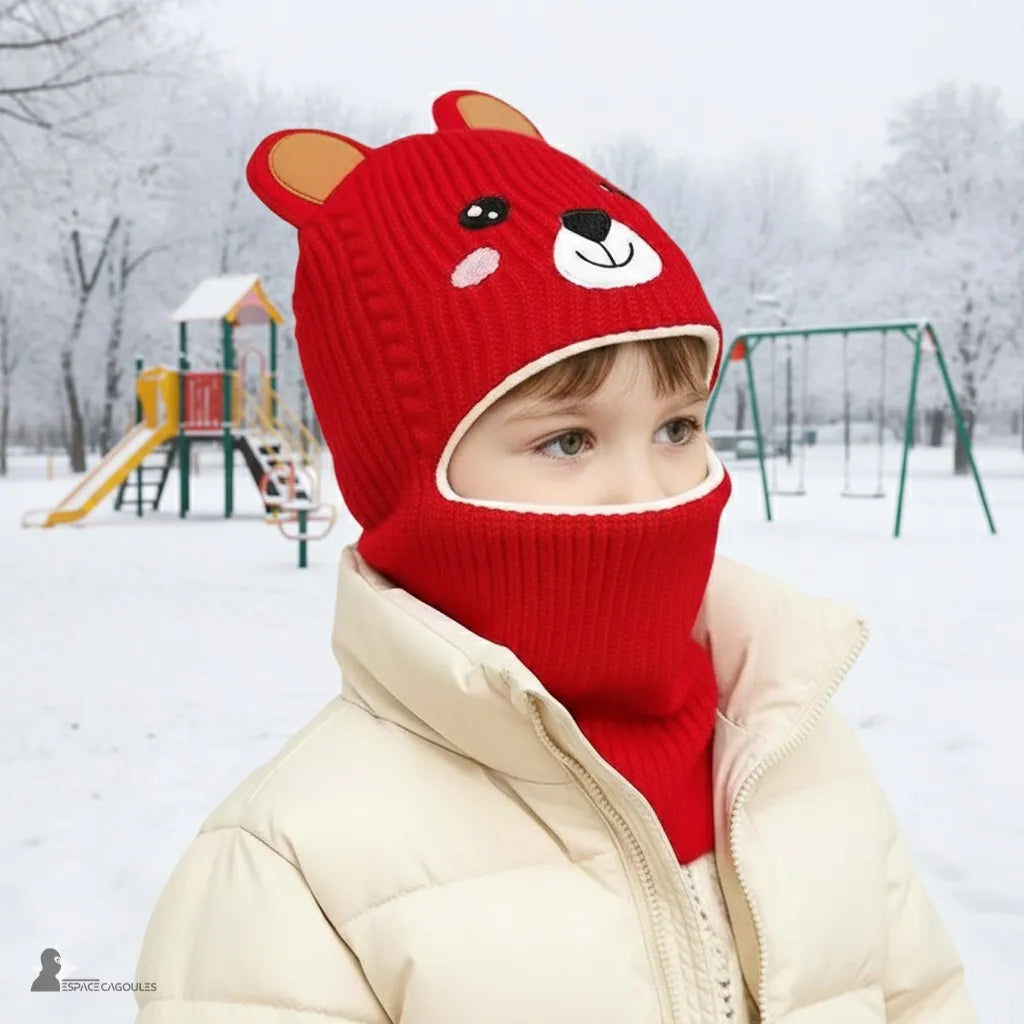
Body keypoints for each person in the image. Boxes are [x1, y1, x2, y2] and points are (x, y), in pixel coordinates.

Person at [134, 89, 977, 1023]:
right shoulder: (291, 868)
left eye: (678, 426)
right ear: (412, 479)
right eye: (569, 441)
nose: (651, 492)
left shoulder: (792, 743)